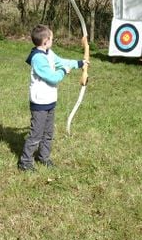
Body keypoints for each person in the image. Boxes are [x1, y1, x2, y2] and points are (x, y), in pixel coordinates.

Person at [17, 24, 88, 171]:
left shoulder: (49, 52)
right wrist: (64, 71)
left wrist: (79, 63)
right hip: (40, 102)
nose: (52, 41)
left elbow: (61, 61)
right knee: (36, 134)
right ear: (45, 41)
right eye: (51, 39)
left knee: (48, 133)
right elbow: (53, 78)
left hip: (50, 100)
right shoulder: (38, 58)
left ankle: (43, 157)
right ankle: (25, 162)